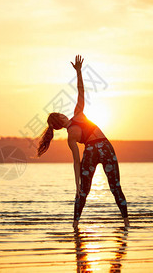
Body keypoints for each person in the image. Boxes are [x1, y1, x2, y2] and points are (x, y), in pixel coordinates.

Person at [37, 55, 130, 230]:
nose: (63, 115)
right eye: (60, 115)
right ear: (61, 118)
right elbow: (81, 91)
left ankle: (75, 224)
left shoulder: (70, 136)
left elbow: (76, 162)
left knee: (83, 192)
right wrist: (79, 72)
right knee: (115, 187)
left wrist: (77, 184)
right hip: (103, 147)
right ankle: (126, 223)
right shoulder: (77, 114)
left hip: (91, 152)